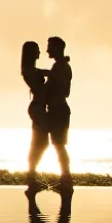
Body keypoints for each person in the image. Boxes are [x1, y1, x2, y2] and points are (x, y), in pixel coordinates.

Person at [25, 36, 72, 186]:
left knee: (57, 145)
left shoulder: (60, 67)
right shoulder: (59, 66)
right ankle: (35, 175)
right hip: (54, 110)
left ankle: (65, 178)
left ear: (57, 48)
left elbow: (61, 90)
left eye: (50, 47)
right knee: (49, 144)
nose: (47, 50)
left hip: (58, 110)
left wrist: (44, 88)